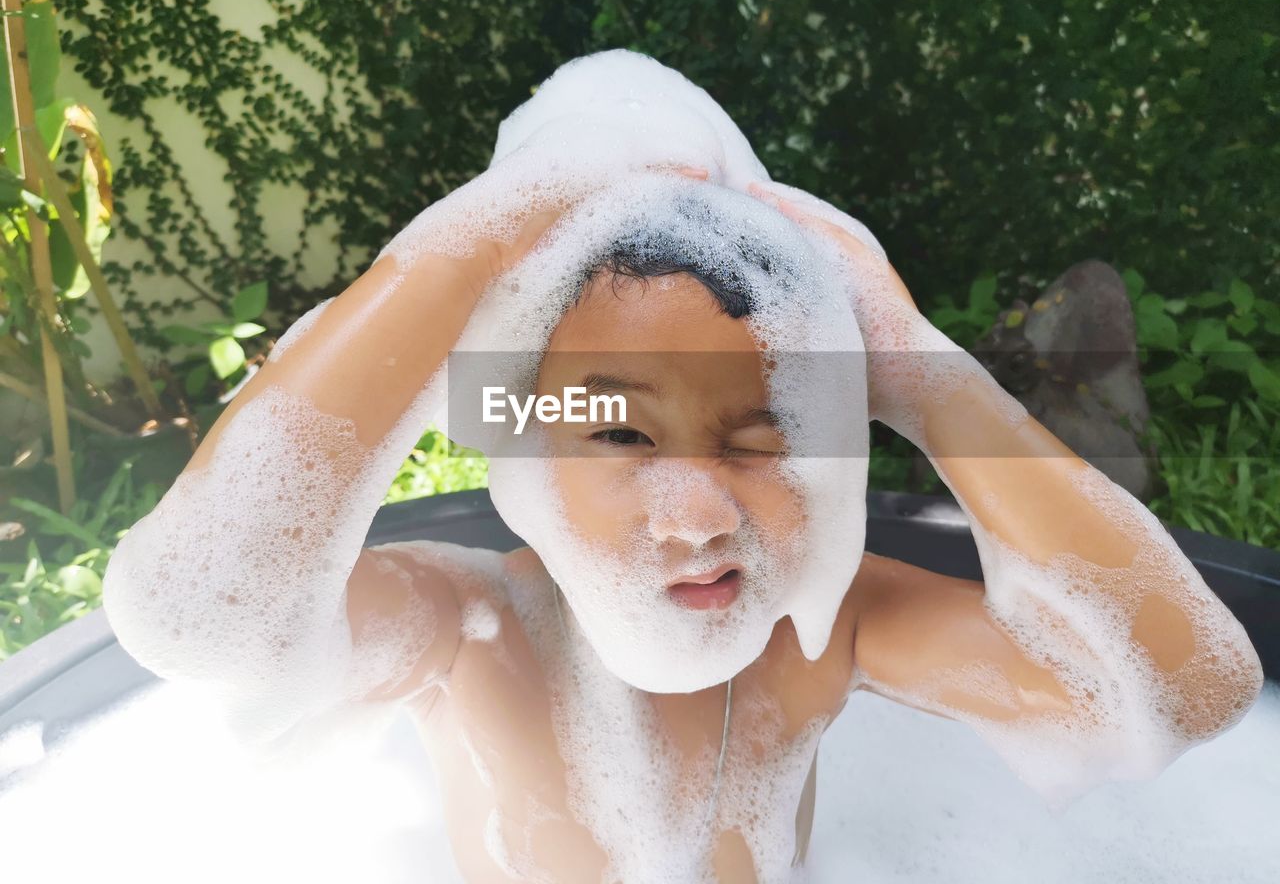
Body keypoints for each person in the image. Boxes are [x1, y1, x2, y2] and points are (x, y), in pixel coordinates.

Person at [102, 56, 1263, 883]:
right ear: (517, 440)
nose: (696, 512)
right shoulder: (465, 631)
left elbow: (1181, 686)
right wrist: (461, 253)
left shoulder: (825, 633)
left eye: (764, 438)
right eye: (615, 433)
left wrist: (919, 370)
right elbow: (205, 613)